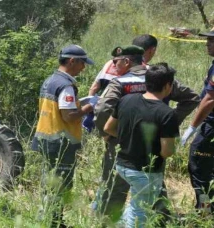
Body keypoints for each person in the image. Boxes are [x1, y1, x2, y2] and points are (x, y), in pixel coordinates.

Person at [92, 45, 200, 222]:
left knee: (115, 186)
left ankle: (109, 221)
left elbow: (103, 109)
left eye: (115, 62)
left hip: (122, 143)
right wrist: (168, 124)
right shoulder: (161, 77)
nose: (113, 65)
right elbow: (191, 98)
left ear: (127, 61)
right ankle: (161, 220)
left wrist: (109, 134)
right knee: (153, 183)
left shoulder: (120, 82)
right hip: (155, 143)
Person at [104, 62, 179, 227]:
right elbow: (166, 152)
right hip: (145, 172)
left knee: (133, 207)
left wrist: (130, 137)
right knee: (140, 214)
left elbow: (108, 128)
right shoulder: (167, 114)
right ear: (168, 85)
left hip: (122, 165)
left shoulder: (125, 100)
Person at [31, 44, 97, 227]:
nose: (83, 68)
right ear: (72, 61)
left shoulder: (51, 80)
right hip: (61, 142)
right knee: (60, 185)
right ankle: (54, 222)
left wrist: (80, 103)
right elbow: (68, 116)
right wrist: (90, 106)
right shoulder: (66, 85)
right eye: (82, 63)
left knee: (49, 182)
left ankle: (47, 219)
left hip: (46, 138)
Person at [83, 34, 158, 133]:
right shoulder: (152, 73)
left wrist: (92, 113)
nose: (114, 65)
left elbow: (95, 89)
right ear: (152, 50)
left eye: (115, 62)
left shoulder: (110, 65)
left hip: (110, 122)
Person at [181, 27, 214, 214]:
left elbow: (210, 99)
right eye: (207, 40)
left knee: (199, 166)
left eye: (212, 41)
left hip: (211, 127)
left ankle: (205, 210)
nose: (207, 44)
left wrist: (192, 128)